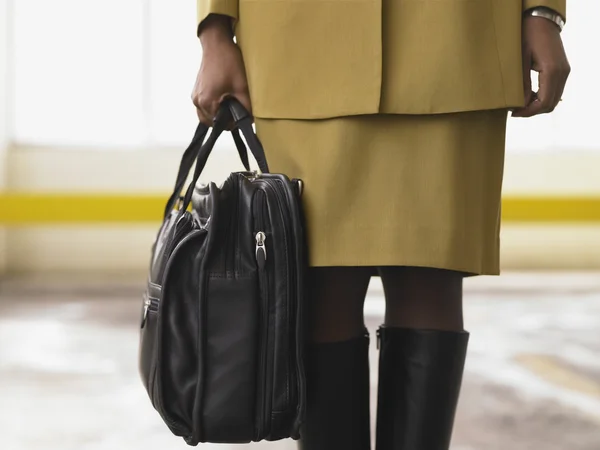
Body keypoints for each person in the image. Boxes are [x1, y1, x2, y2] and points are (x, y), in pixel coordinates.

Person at [193, 1, 570, 449]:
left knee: (431, 278)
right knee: (316, 285)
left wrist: (544, 11)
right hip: (298, 47)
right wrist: (214, 28)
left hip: (456, 39)